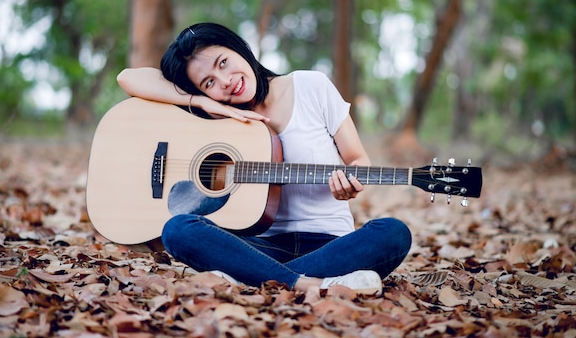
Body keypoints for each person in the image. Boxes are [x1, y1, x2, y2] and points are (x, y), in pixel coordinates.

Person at [117, 22, 411, 295]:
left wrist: (352, 178)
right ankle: (312, 283)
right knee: (178, 229)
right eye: (209, 82)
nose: (226, 81)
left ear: (238, 48)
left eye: (223, 63)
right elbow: (128, 78)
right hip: (257, 245)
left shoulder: (311, 87)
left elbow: (357, 158)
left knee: (393, 232)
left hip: (331, 243)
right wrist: (201, 101)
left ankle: (253, 278)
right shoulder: (213, 116)